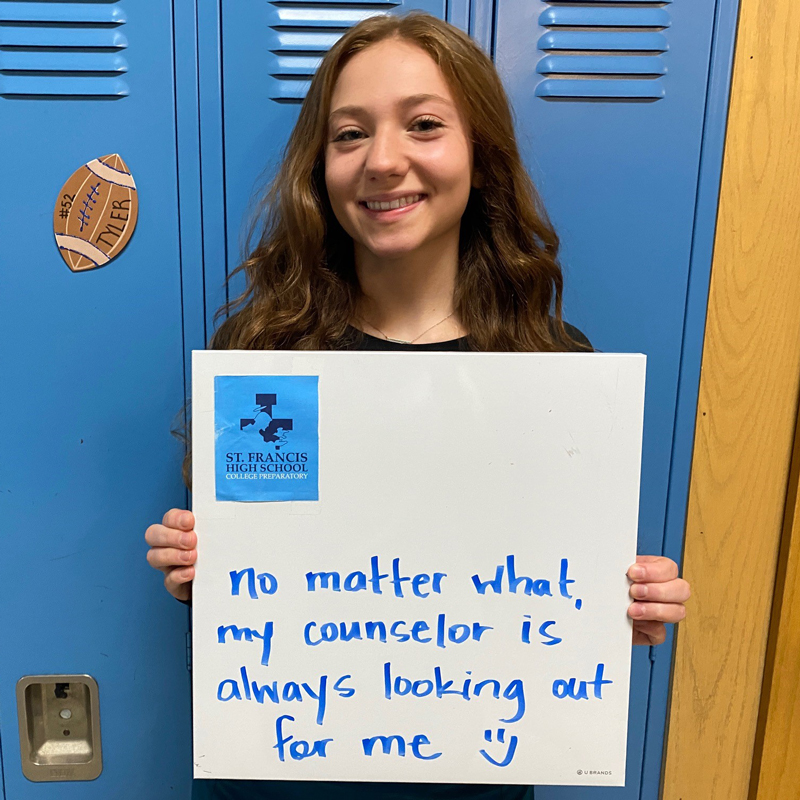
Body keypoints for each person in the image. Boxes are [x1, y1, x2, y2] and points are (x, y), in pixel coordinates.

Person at [145, 11, 691, 800]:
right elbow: (257, 577)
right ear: (320, 167)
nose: (383, 160)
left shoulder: (549, 368)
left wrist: (622, 605)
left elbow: (553, 592)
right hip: (277, 774)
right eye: (349, 134)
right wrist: (197, 567)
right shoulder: (267, 356)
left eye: (424, 125)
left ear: (481, 155)